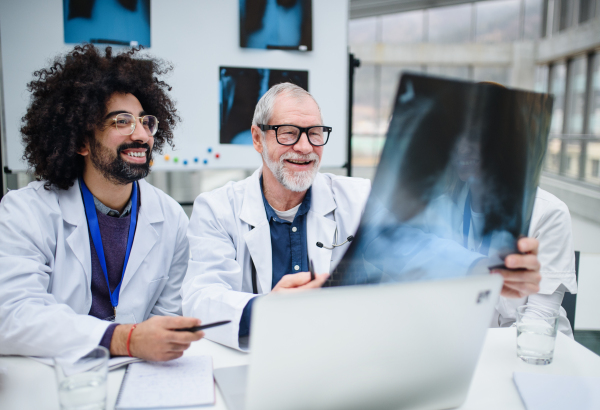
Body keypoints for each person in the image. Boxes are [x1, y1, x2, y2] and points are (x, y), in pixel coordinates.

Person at [182, 82, 543, 350]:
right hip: (258, 355)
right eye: (289, 134)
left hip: (339, 354)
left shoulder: (355, 196)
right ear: (258, 139)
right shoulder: (217, 208)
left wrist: (485, 269)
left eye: (315, 134)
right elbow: (200, 295)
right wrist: (267, 309)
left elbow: (413, 245)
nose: (306, 148)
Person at [0, 45, 203, 363]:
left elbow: (167, 316)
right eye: (121, 122)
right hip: (55, 380)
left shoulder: (171, 217)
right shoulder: (25, 212)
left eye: (144, 122)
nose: (141, 135)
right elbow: (11, 315)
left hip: (140, 376)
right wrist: (126, 339)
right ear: (80, 141)